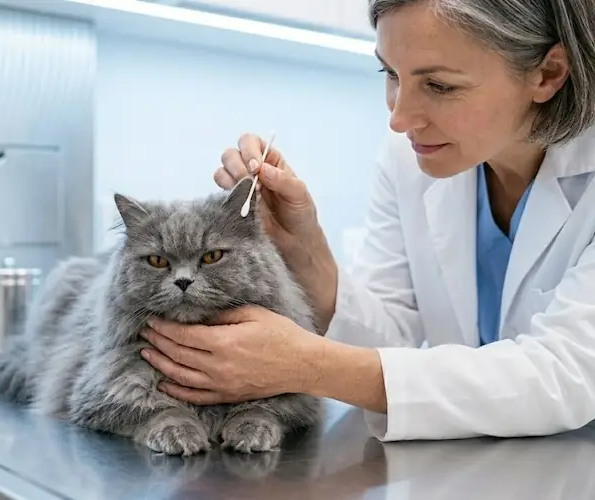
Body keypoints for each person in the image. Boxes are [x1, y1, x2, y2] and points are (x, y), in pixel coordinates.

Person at [137, 0, 595, 441]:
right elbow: (389, 337)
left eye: (439, 85)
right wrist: (303, 249)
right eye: (390, 74)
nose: (398, 118)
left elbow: (564, 374)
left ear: (548, 73)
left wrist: (306, 366)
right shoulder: (412, 157)